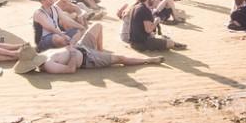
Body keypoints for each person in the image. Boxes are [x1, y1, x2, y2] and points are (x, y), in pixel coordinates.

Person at [14, 23, 165, 74]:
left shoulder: (44, 56)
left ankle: (101, 50)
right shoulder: (47, 65)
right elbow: (71, 70)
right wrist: (72, 54)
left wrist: (71, 46)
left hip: (81, 48)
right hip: (88, 58)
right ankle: (148, 60)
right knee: (120, 59)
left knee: (97, 26)